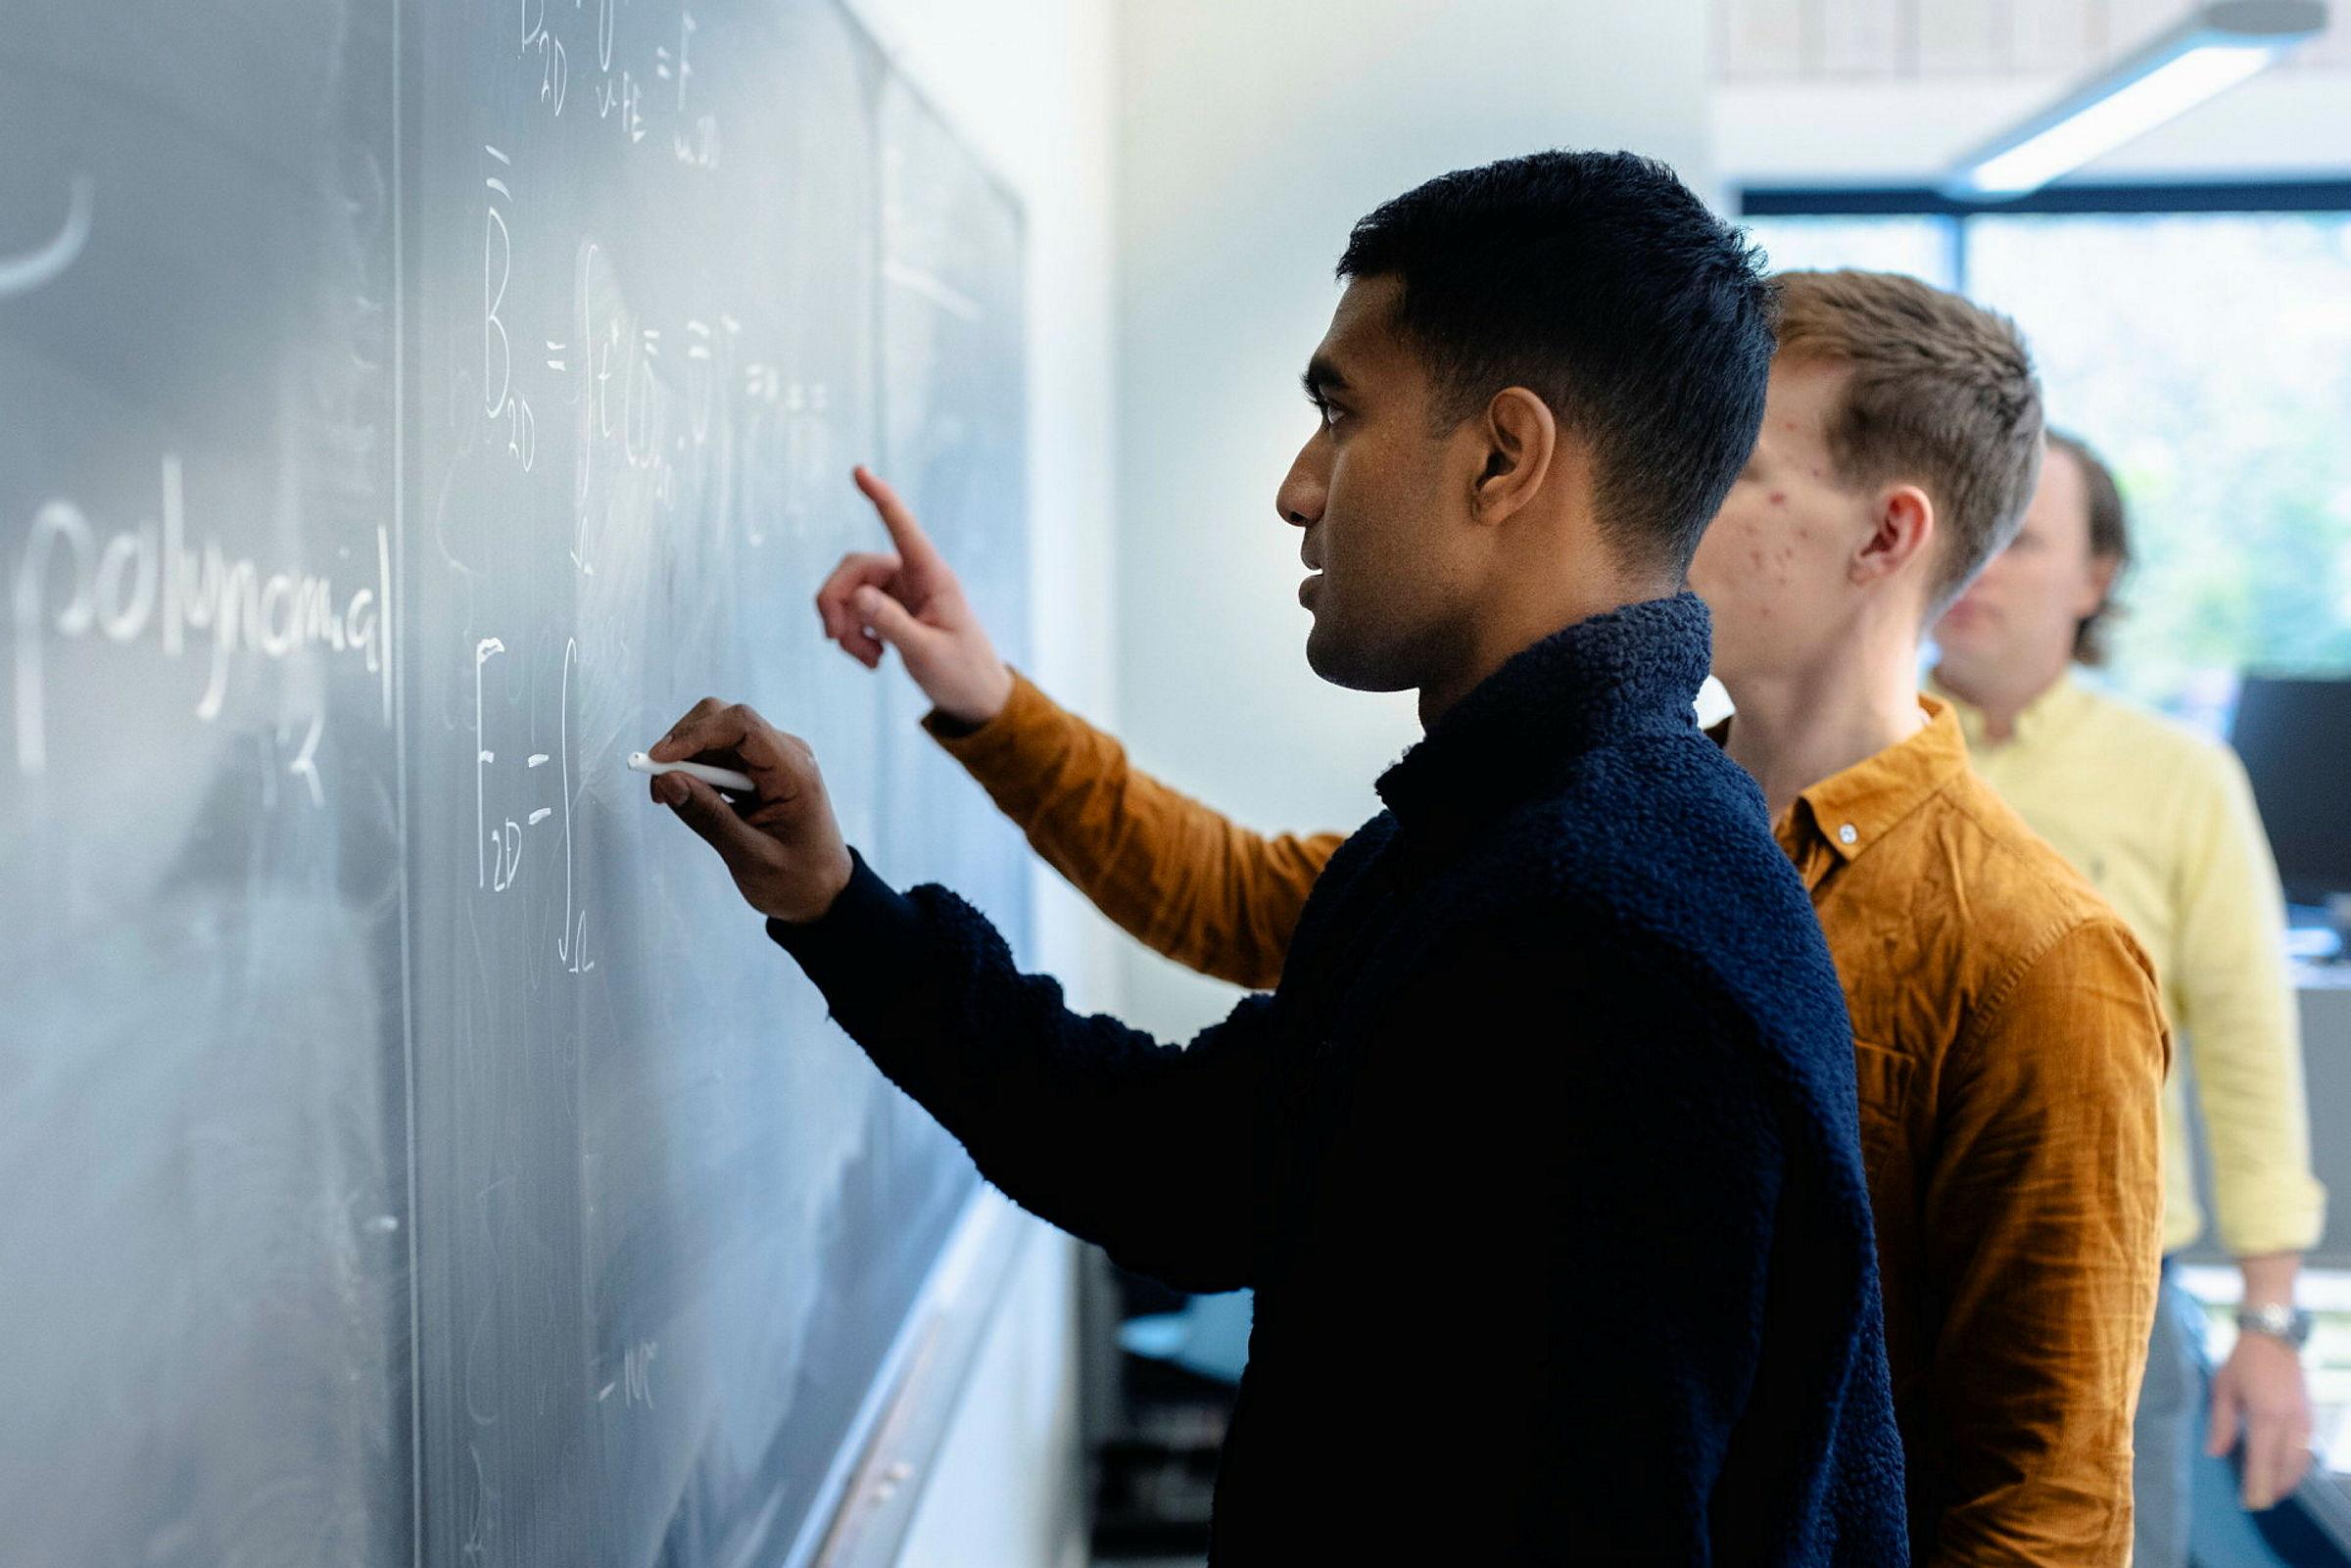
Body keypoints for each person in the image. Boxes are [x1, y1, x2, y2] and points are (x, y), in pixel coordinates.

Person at [650, 151, 1909, 1563]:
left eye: (1338, 414)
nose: (1296, 490)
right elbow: (1189, 1169)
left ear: (1505, 457)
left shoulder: (1594, 934)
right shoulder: (1517, 841)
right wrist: (835, 905)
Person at [822, 269, 2174, 1565]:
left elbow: (2042, 1505)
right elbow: (1250, 897)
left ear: (1885, 537)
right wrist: (992, 706)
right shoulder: (1605, 819)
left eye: (1737, 461)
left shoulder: (2037, 959)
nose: (1675, 484)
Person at [1932, 430, 2328, 1564]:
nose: (1980, 566)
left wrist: (2268, 1318)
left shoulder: (2182, 777)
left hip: (2102, 1300)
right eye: (1966, 531)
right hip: (1879, 1280)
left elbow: (2252, 1054)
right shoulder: (1847, 751)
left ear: (2096, 575)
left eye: (2021, 539)